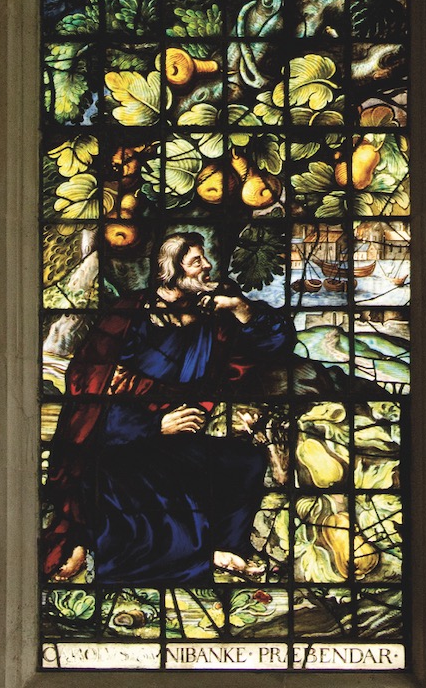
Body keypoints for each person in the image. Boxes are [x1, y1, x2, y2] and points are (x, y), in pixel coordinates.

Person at [42, 232, 293, 584]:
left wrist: (239, 307)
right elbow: (93, 392)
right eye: (195, 262)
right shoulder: (128, 316)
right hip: (121, 439)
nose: (206, 266)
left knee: (242, 462)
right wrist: (154, 424)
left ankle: (226, 547)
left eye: (205, 259)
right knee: (137, 479)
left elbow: (276, 344)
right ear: (169, 271)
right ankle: (187, 560)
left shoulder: (211, 316)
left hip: (181, 434)